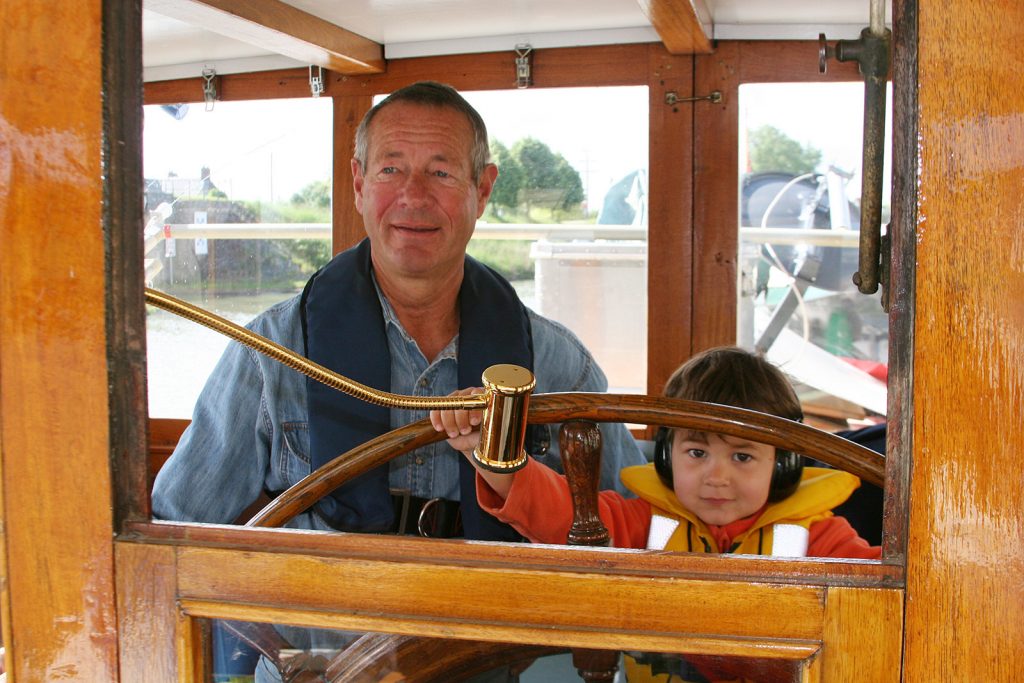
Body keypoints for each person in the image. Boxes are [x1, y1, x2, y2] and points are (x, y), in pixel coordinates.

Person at [151, 81, 647, 680]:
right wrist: (261, 643)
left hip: (501, 663)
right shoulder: (273, 352)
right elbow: (173, 531)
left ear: (482, 189)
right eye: (391, 169)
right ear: (359, 182)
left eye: (441, 173)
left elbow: (635, 530)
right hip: (323, 667)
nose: (413, 196)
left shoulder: (560, 365)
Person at [435, 345, 880, 560]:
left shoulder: (825, 542)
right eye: (696, 452)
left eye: (742, 457)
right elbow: (556, 513)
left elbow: (896, 593)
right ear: (666, 456)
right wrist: (485, 446)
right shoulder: (641, 524)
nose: (716, 477)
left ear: (783, 466)